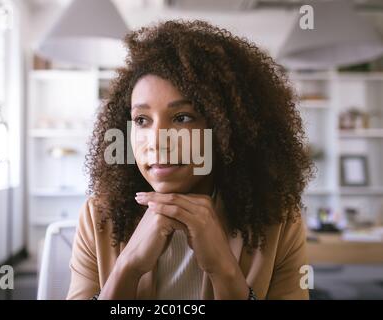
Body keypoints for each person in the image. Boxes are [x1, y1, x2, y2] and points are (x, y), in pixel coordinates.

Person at [67, 20, 314, 300]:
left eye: (182, 118)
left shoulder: (277, 221)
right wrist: (129, 266)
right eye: (142, 120)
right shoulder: (99, 217)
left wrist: (224, 270)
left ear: (227, 128)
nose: (157, 140)